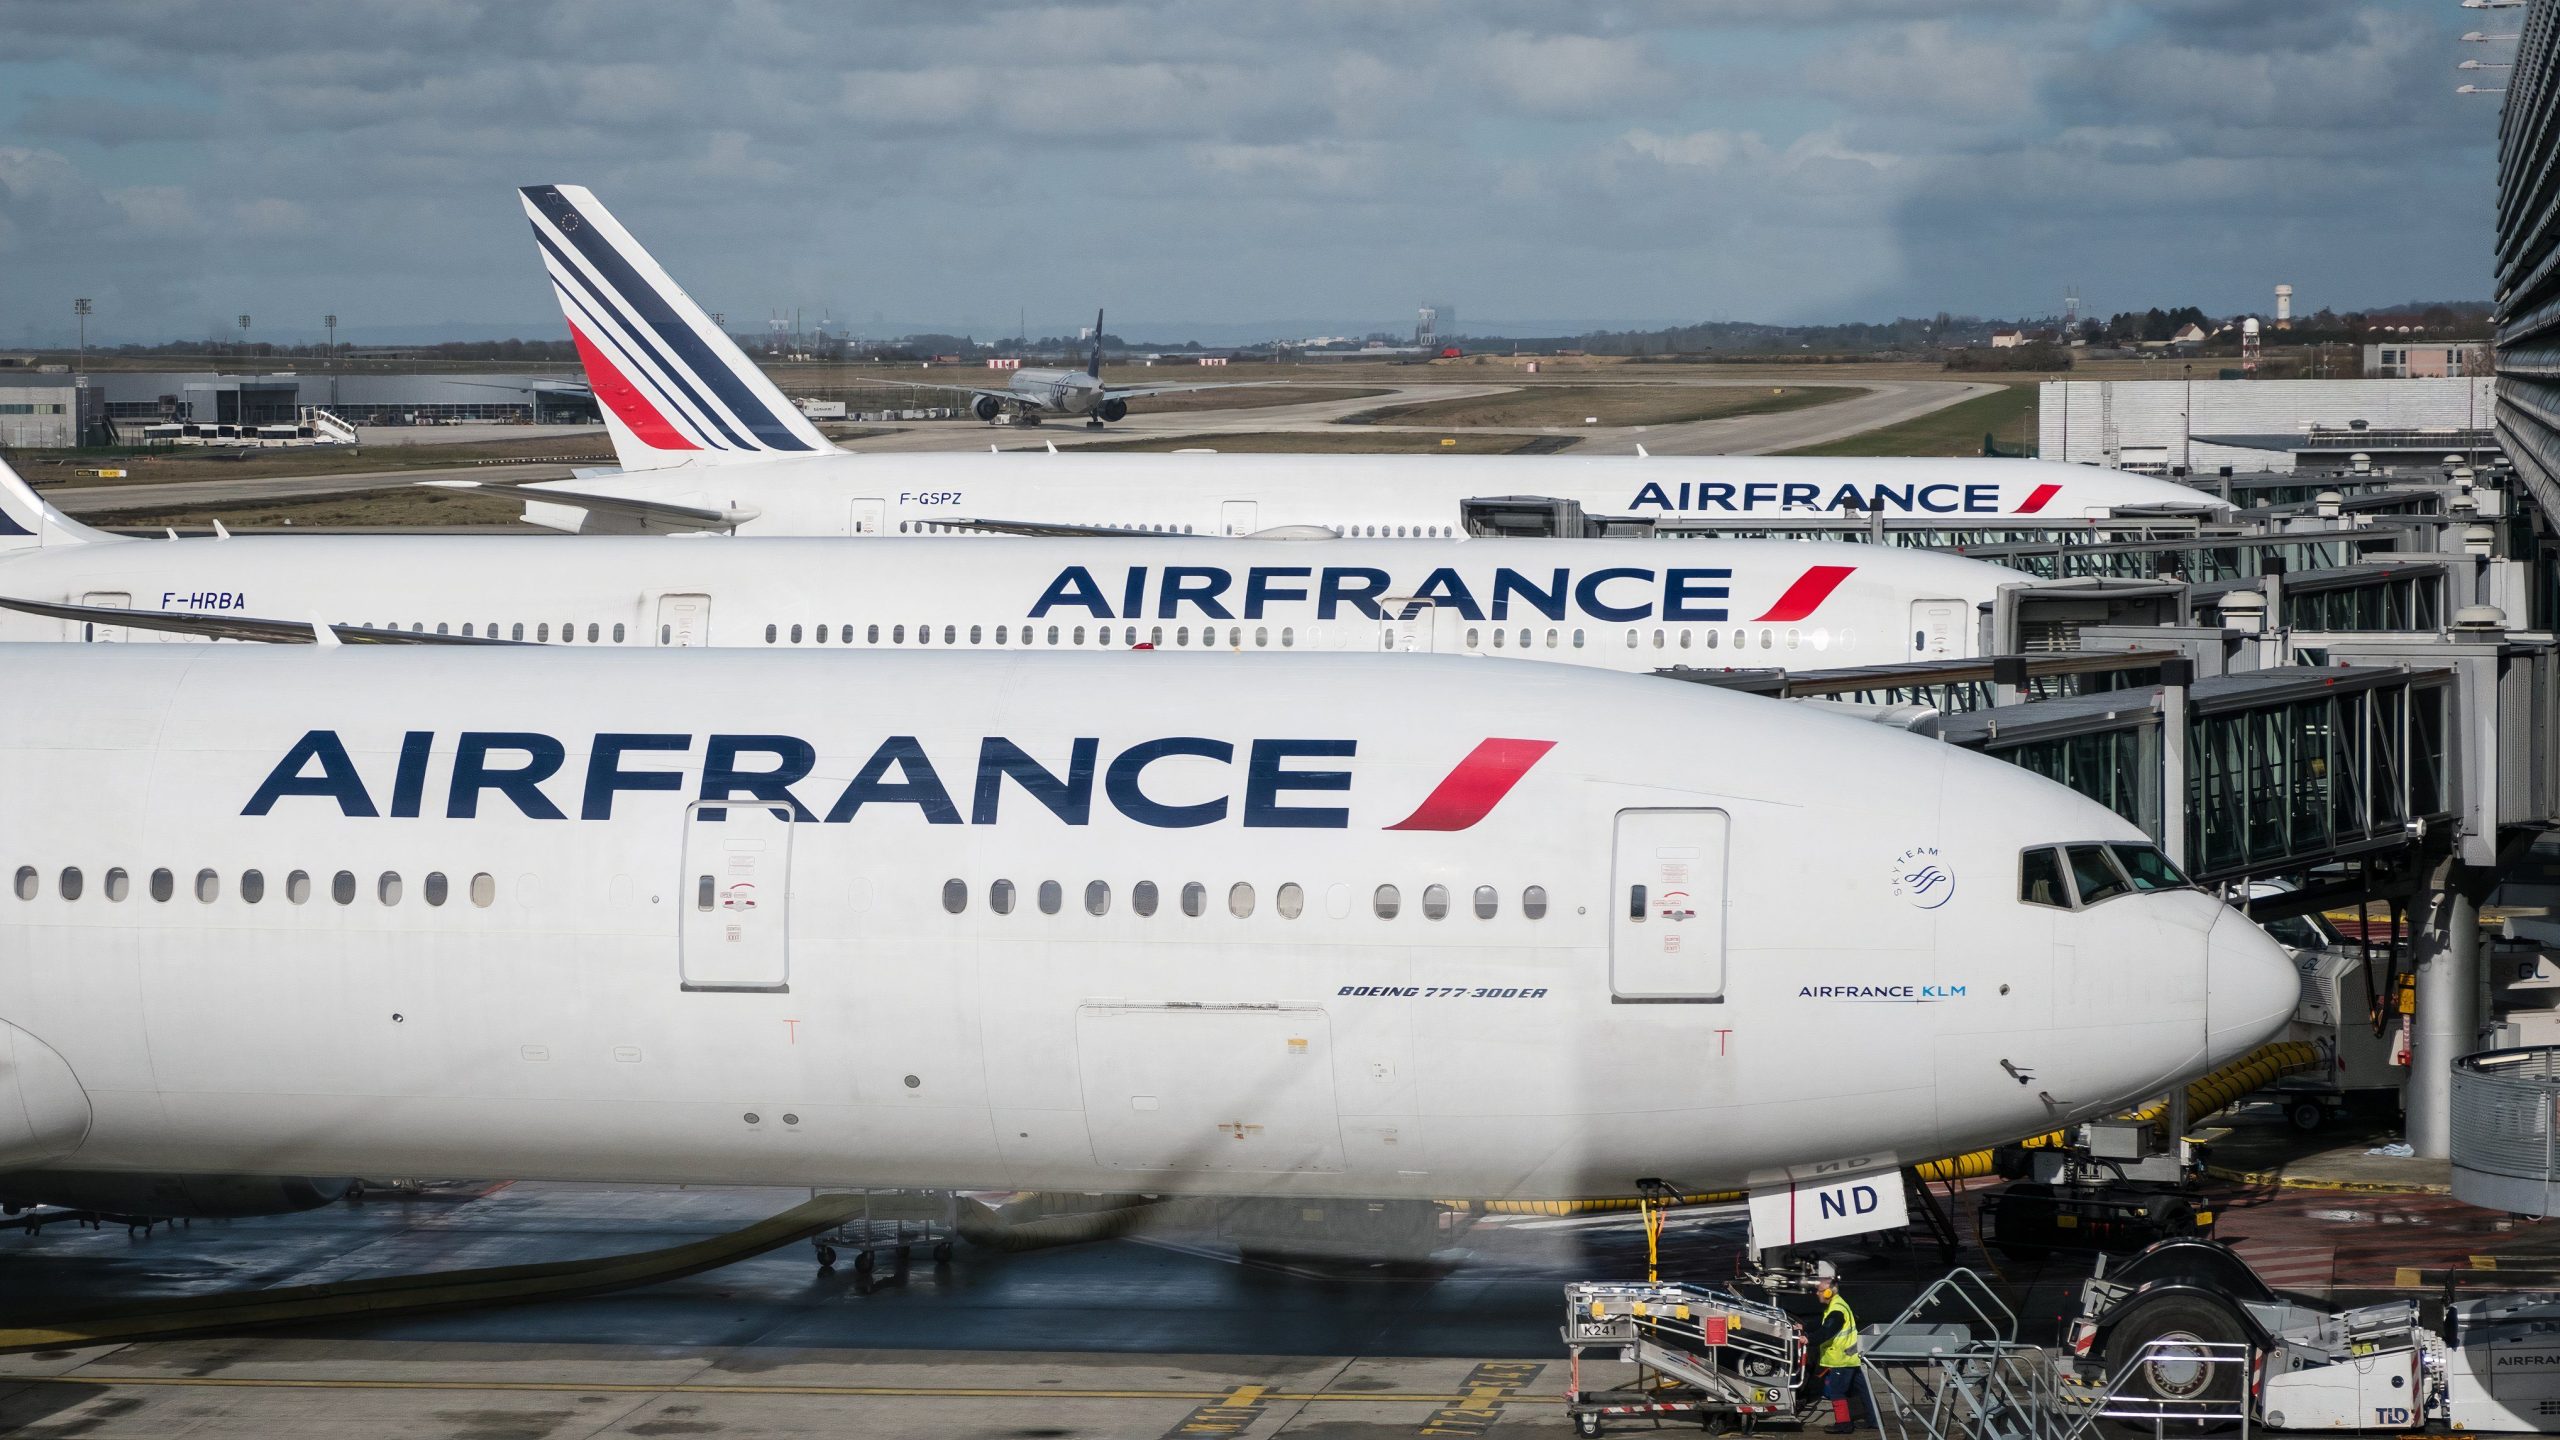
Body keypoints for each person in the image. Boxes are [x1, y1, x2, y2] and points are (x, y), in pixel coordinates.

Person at [1807, 1271, 1867, 1434]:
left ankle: (1844, 1425)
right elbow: (1821, 1321)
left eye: (1819, 1290)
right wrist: (1804, 1327)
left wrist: (1809, 1339)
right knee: (1860, 1390)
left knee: (1836, 1391)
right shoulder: (1836, 1305)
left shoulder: (1837, 1310)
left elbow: (1826, 1331)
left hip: (1841, 1359)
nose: (1817, 1294)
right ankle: (1872, 1420)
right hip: (1850, 1358)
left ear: (1828, 1292)